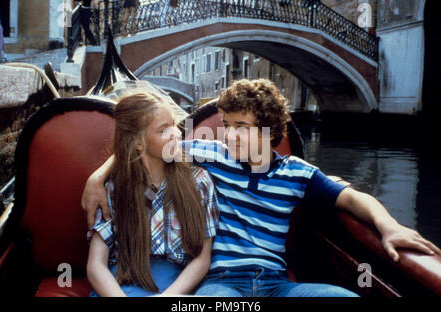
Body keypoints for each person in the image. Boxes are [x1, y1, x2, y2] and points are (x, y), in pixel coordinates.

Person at [83, 79, 441, 297]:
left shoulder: (297, 174)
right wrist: (97, 178)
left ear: (269, 130)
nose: (228, 134)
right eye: (226, 124)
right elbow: (142, 145)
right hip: (222, 283)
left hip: (278, 284)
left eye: (241, 126)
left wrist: (389, 226)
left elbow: (354, 198)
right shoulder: (211, 155)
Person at [86, 91, 219, 297]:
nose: (176, 133)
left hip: (177, 288)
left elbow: (202, 259)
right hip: (121, 285)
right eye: (164, 130)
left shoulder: (199, 182)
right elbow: (96, 265)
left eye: (174, 124)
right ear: (139, 142)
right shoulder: (116, 187)